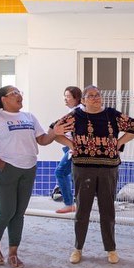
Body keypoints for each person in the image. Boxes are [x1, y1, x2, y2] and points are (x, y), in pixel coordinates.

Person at [0, 86, 67, 268]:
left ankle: (13, 252)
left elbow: (42, 140)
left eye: (19, 93)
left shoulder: (29, 117)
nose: (18, 96)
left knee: (19, 213)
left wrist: (54, 132)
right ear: (3, 99)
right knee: (6, 211)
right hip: (6, 170)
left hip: (29, 169)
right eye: (13, 93)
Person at [53, 85, 134, 265]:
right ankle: (78, 248)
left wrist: (119, 143)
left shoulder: (112, 115)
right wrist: (71, 145)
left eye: (97, 95)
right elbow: (55, 131)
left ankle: (111, 249)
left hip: (108, 168)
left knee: (107, 210)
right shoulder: (75, 115)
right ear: (83, 100)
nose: (95, 98)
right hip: (82, 168)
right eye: (90, 96)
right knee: (82, 209)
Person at [54, 86, 82, 214]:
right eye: (64, 96)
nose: (65, 99)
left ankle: (69, 203)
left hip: (74, 149)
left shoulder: (77, 112)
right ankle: (74, 202)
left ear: (77, 98)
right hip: (69, 148)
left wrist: (72, 147)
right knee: (71, 174)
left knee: (61, 172)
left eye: (68, 96)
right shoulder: (74, 111)